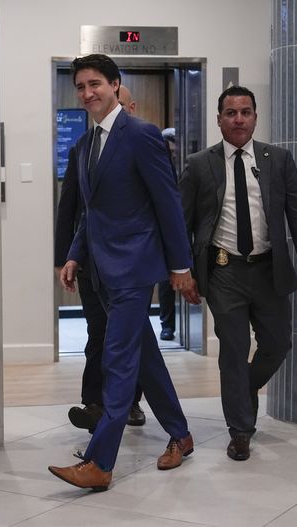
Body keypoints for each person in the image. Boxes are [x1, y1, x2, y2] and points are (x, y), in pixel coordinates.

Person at [49, 55, 194, 492]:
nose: (88, 93)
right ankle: (181, 434)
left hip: (134, 268)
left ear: (115, 85)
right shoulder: (86, 142)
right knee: (144, 356)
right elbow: (89, 211)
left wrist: (180, 267)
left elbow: (167, 204)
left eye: (95, 84)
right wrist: (74, 253)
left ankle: (100, 462)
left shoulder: (141, 135)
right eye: (80, 86)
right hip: (100, 269)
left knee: (118, 360)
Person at [179, 85, 297, 461]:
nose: (238, 119)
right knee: (234, 351)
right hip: (224, 270)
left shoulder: (278, 159)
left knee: (278, 344)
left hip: (269, 270)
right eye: (231, 113)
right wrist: (182, 272)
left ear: (255, 117)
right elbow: (182, 223)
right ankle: (240, 429)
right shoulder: (199, 164)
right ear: (219, 119)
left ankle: (241, 393)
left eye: (245, 112)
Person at [55, 85, 145, 434]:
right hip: (92, 261)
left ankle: (131, 402)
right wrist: (65, 257)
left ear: (130, 107)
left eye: (119, 105)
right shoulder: (83, 148)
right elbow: (72, 208)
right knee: (99, 334)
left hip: (131, 264)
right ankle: (95, 403)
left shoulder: (143, 143)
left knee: (129, 338)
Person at [157, 127, 179, 341]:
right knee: (164, 283)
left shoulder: (187, 166)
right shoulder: (159, 165)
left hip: (181, 229)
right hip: (159, 233)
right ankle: (167, 325)